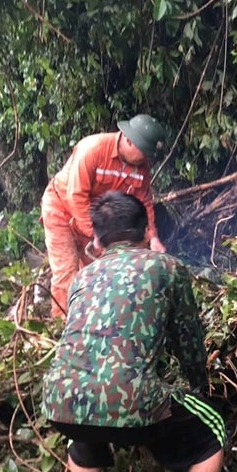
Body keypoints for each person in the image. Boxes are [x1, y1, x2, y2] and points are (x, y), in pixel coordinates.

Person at [42, 191, 224, 472]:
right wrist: (200, 387)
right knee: (212, 431)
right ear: (145, 233)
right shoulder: (168, 268)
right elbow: (188, 340)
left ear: (96, 240)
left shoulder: (81, 278)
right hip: (130, 401)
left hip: (60, 401)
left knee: (83, 429)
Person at [40, 114, 169, 319]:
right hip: (61, 209)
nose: (146, 159)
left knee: (100, 270)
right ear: (128, 140)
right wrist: (96, 234)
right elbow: (76, 195)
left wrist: (152, 237)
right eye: (144, 152)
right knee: (67, 270)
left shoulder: (141, 168)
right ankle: (61, 326)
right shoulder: (92, 149)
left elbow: (143, 202)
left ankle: (93, 319)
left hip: (96, 216)